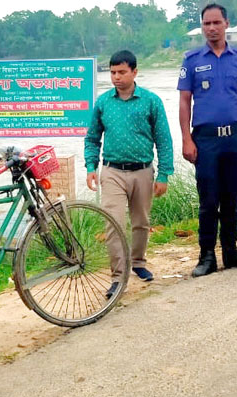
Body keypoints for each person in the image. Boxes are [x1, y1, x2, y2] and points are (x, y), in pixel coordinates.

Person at [178, 3, 237, 277]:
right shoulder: (191, 60)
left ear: (226, 24)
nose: (211, 28)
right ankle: (207, 256)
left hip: (235, 138)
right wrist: (187, 139)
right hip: (206, 141)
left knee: (232, 198)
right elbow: (184, 102)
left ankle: (232, 251)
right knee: (209, 200)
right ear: (202, 27)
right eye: (206, 24)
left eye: (216, 23)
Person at [85, 50, 174, 299]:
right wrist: (91, 167)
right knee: (113, 222)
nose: (116, 77)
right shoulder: (103, 102)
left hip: (143, 171)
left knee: (141, 222)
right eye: (113, 72)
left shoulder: (151, 101)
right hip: (112, 171)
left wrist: (164, 174)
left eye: (122, 72)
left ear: (135, 72)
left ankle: (138, 262)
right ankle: (118, 276)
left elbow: (163, 139)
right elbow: (92, 138)